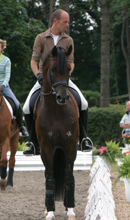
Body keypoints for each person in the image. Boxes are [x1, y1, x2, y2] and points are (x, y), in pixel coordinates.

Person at [22, 9, 92, 155]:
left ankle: (84, 138)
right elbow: (33, 61)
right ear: (55, 21)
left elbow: (71, 62)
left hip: (62, 80)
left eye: (67, 22)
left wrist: (67, 73)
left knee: (83, 103)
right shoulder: (41, 38)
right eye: (65, 22)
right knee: (26, 108)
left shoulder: (68, 40)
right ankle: (32, 142)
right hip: (44, 80)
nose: (67, 25)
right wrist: (39, 75)